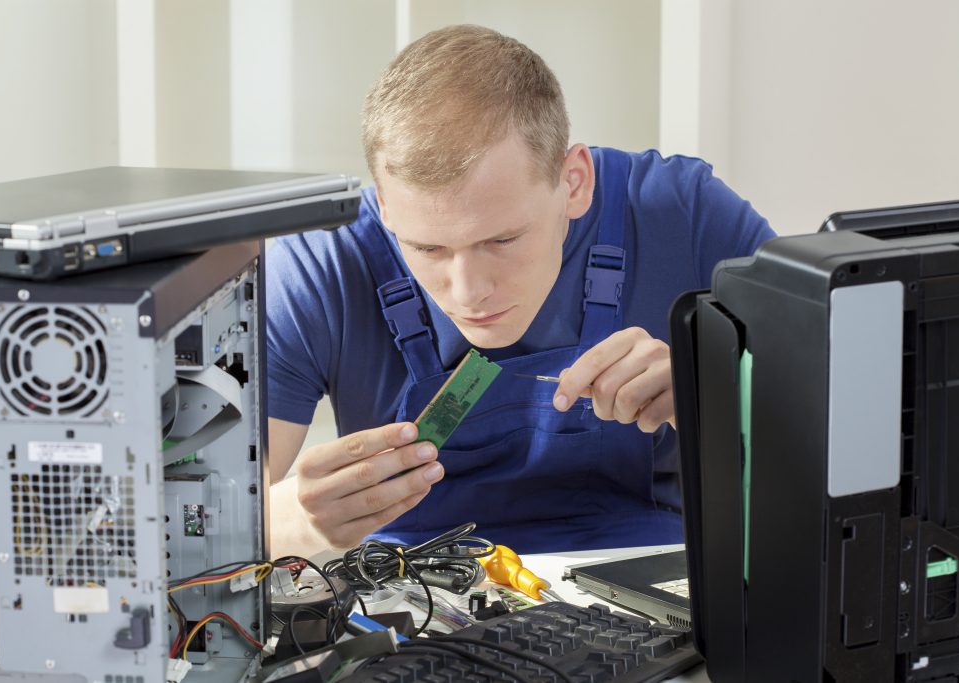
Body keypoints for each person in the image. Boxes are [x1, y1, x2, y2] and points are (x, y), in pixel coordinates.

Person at [266, 24, 775, 556]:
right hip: (413, 597)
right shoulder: (316, 267)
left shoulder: (686, 215)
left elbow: (840, 437)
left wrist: (718, 397)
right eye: (428, 249)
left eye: (502, 239)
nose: (468, 294)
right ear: (386, 206)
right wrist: (298, 521)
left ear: (573, 182)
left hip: (651, 583)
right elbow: (200, 533)